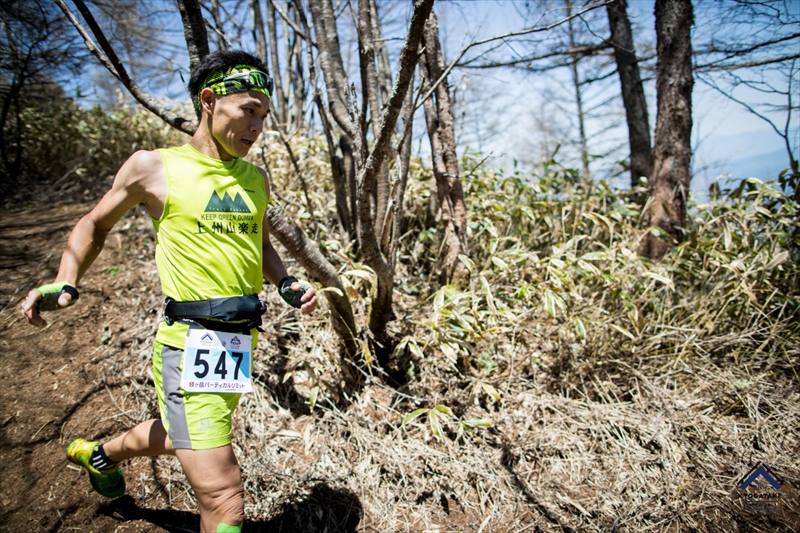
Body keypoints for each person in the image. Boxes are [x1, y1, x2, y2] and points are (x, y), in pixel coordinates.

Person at [20, 50, 317, 533]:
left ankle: (99, 455)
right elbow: (95, 225)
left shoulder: (255, 178)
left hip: (238, 342)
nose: (257, 126)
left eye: (264, 115)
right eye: (248, 110)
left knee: (183, 431)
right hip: (189, 340)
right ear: (209, 100)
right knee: (223, 497)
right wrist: (67, 278)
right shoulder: (153, 167)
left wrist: (285, 282)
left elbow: (259, 243)